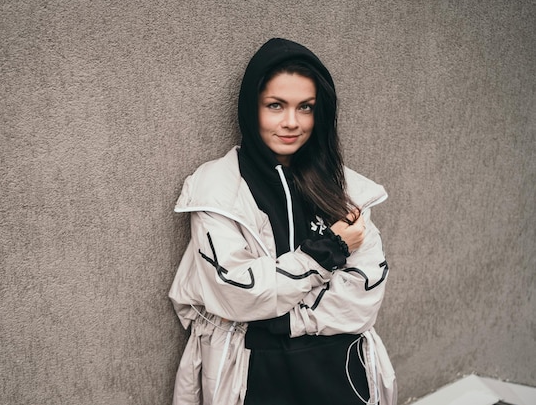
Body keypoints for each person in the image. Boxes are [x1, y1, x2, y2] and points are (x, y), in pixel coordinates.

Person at [169, 38, 396, 405]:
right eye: (275, 106)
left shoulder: (347, 189)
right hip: (253, 372)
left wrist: (284, 321)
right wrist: (328, 252)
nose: (291, 122)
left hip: (337, 369)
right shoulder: (217, 190)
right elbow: (240, 292)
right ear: (250, 108)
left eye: (305, 107)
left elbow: (363, 294)